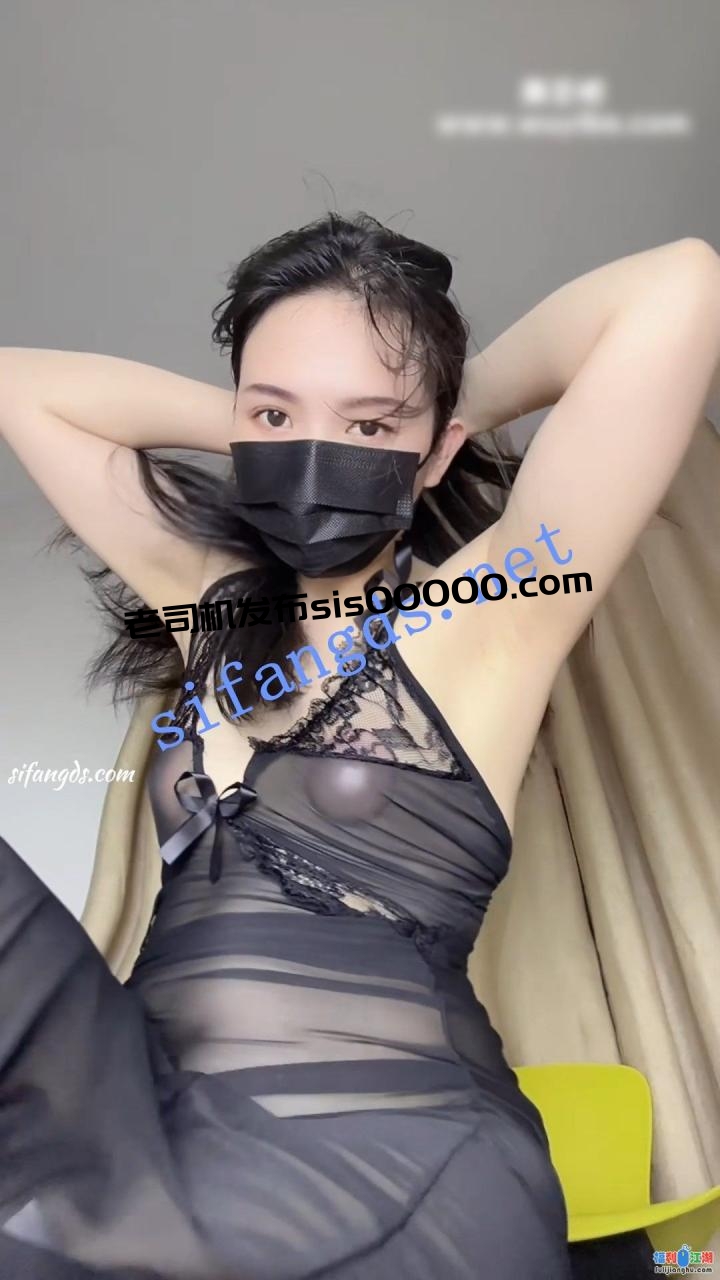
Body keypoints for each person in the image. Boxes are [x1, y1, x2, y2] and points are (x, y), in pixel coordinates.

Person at [1, 212, 718, 1280]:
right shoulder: (205, 604)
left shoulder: (491, 617)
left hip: (393, 1148)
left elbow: (680, 286)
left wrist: (436, 418)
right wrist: (272, 424)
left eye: (369, 425)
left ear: (433, 448)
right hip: (162, 1128)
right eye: (276, 414)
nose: (316, 456)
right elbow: (19, 385)